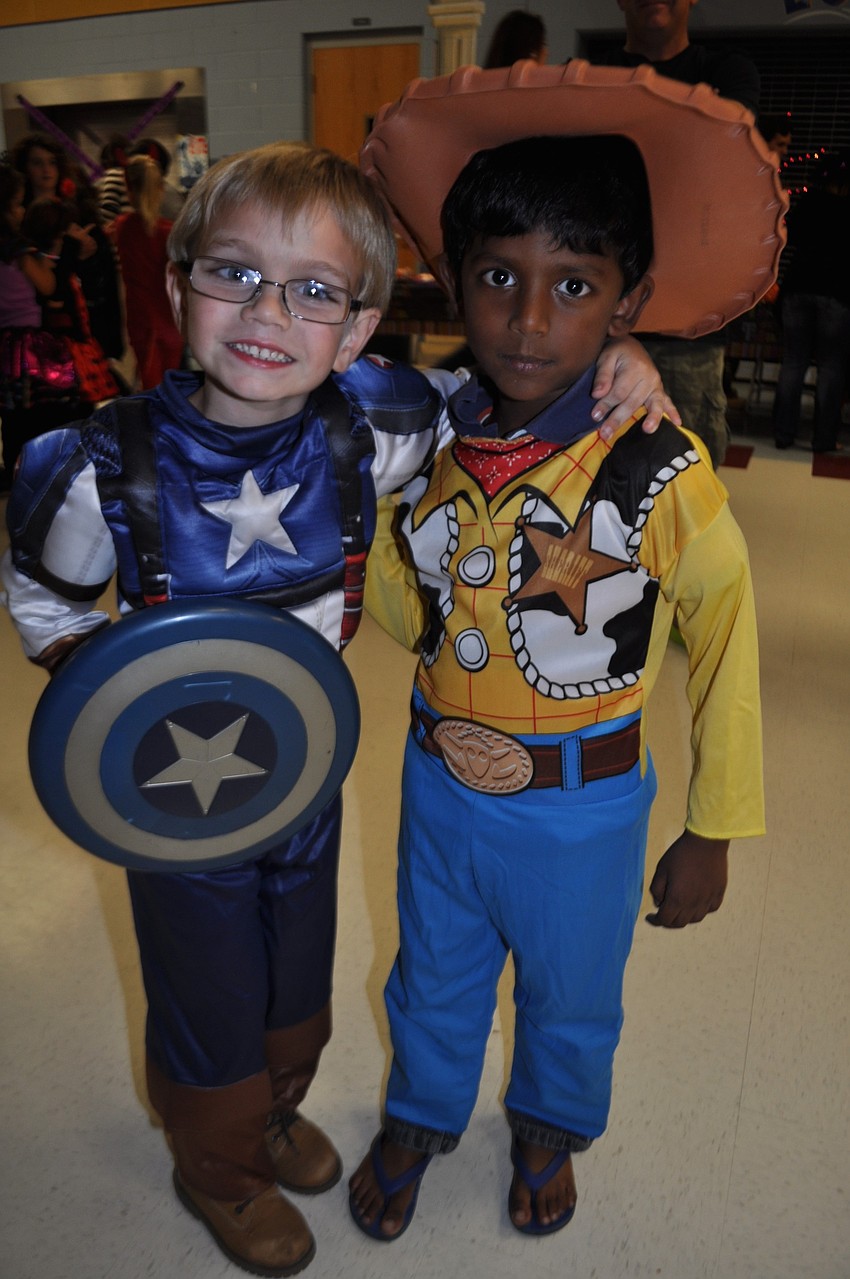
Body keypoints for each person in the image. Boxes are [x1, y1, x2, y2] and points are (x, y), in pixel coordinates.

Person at [1, 139, 668, 1278]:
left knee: (295, 964)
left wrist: (628, 354)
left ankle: (273, 1105)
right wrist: (111, 696)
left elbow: (512, 384)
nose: (268, 312)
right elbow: (43, 595)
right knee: (207, 981)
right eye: (233, 273)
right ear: (176, 285)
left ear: (357, 330)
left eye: (314, 290)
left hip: (304, 775)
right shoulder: (98, 466)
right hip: (179, 805)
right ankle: (217, 1164)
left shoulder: (379, 423)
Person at [349, 131, 764, 1241]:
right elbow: (415, 607)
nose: (528, 322)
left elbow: (727, 634)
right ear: (455, 278)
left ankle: (547, 1124)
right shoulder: (428, 434)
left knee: (571, 995)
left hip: (583, 808)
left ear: (626, 303)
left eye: (573, 286)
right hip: (439, 783)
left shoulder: (654, 464)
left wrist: (713, 824)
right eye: (498, 277)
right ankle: (419, 1115)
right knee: (430, 970)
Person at [597, 0, 761, 468]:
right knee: (587, 477)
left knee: (688, 473)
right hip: (596, 314)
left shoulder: (729, 70)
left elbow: (725, 149)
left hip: (690, 320)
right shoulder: (590, 72)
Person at [0, 160, 76, 486]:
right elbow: (47, 286)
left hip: (2, 341)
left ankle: (12, 471)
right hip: (28, 344)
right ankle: (39, 473)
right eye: (18, 204)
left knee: (11, 415)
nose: (21, 212)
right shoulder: (20, 250)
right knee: (37, 414)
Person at [773, 148, 850, 454]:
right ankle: (823, 439)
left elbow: (790, 237)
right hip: (836, 292)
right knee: (831, 366)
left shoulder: (807, 202)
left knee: (794, 361)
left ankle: (783, 433)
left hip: (798, 287)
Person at [113, 153, 184, 388]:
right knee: (171, 385)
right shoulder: (170, 232)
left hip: (142, 320)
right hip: (171, 319)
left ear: (128, 188)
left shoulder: (122, 228)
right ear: (159, 188)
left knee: (152, 386)